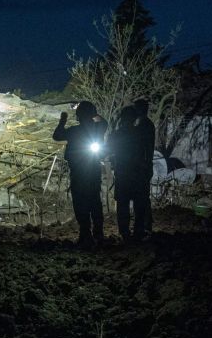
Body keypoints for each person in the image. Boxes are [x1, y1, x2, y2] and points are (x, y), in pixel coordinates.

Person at [53, 101, 107, 248]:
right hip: (85, 171)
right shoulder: (94, 129)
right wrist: (63, 121)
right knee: (91, 202)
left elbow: (58, 135)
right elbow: (57, 136)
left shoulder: (79, 131)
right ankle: (89, 233)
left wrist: (63, 120)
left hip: (83, 171)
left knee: (86, 202)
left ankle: (93, 233)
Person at [108, 100, 155, 243]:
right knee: (139, 204)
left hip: (123, 174)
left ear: (122, 118)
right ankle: (138, 232)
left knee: (123, 204)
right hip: (138, 174)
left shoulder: (115, 135)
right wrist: (148, 167)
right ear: (134, 118)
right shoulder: (140, 134)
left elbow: (108, 151)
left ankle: (125, 232)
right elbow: (148, 152)